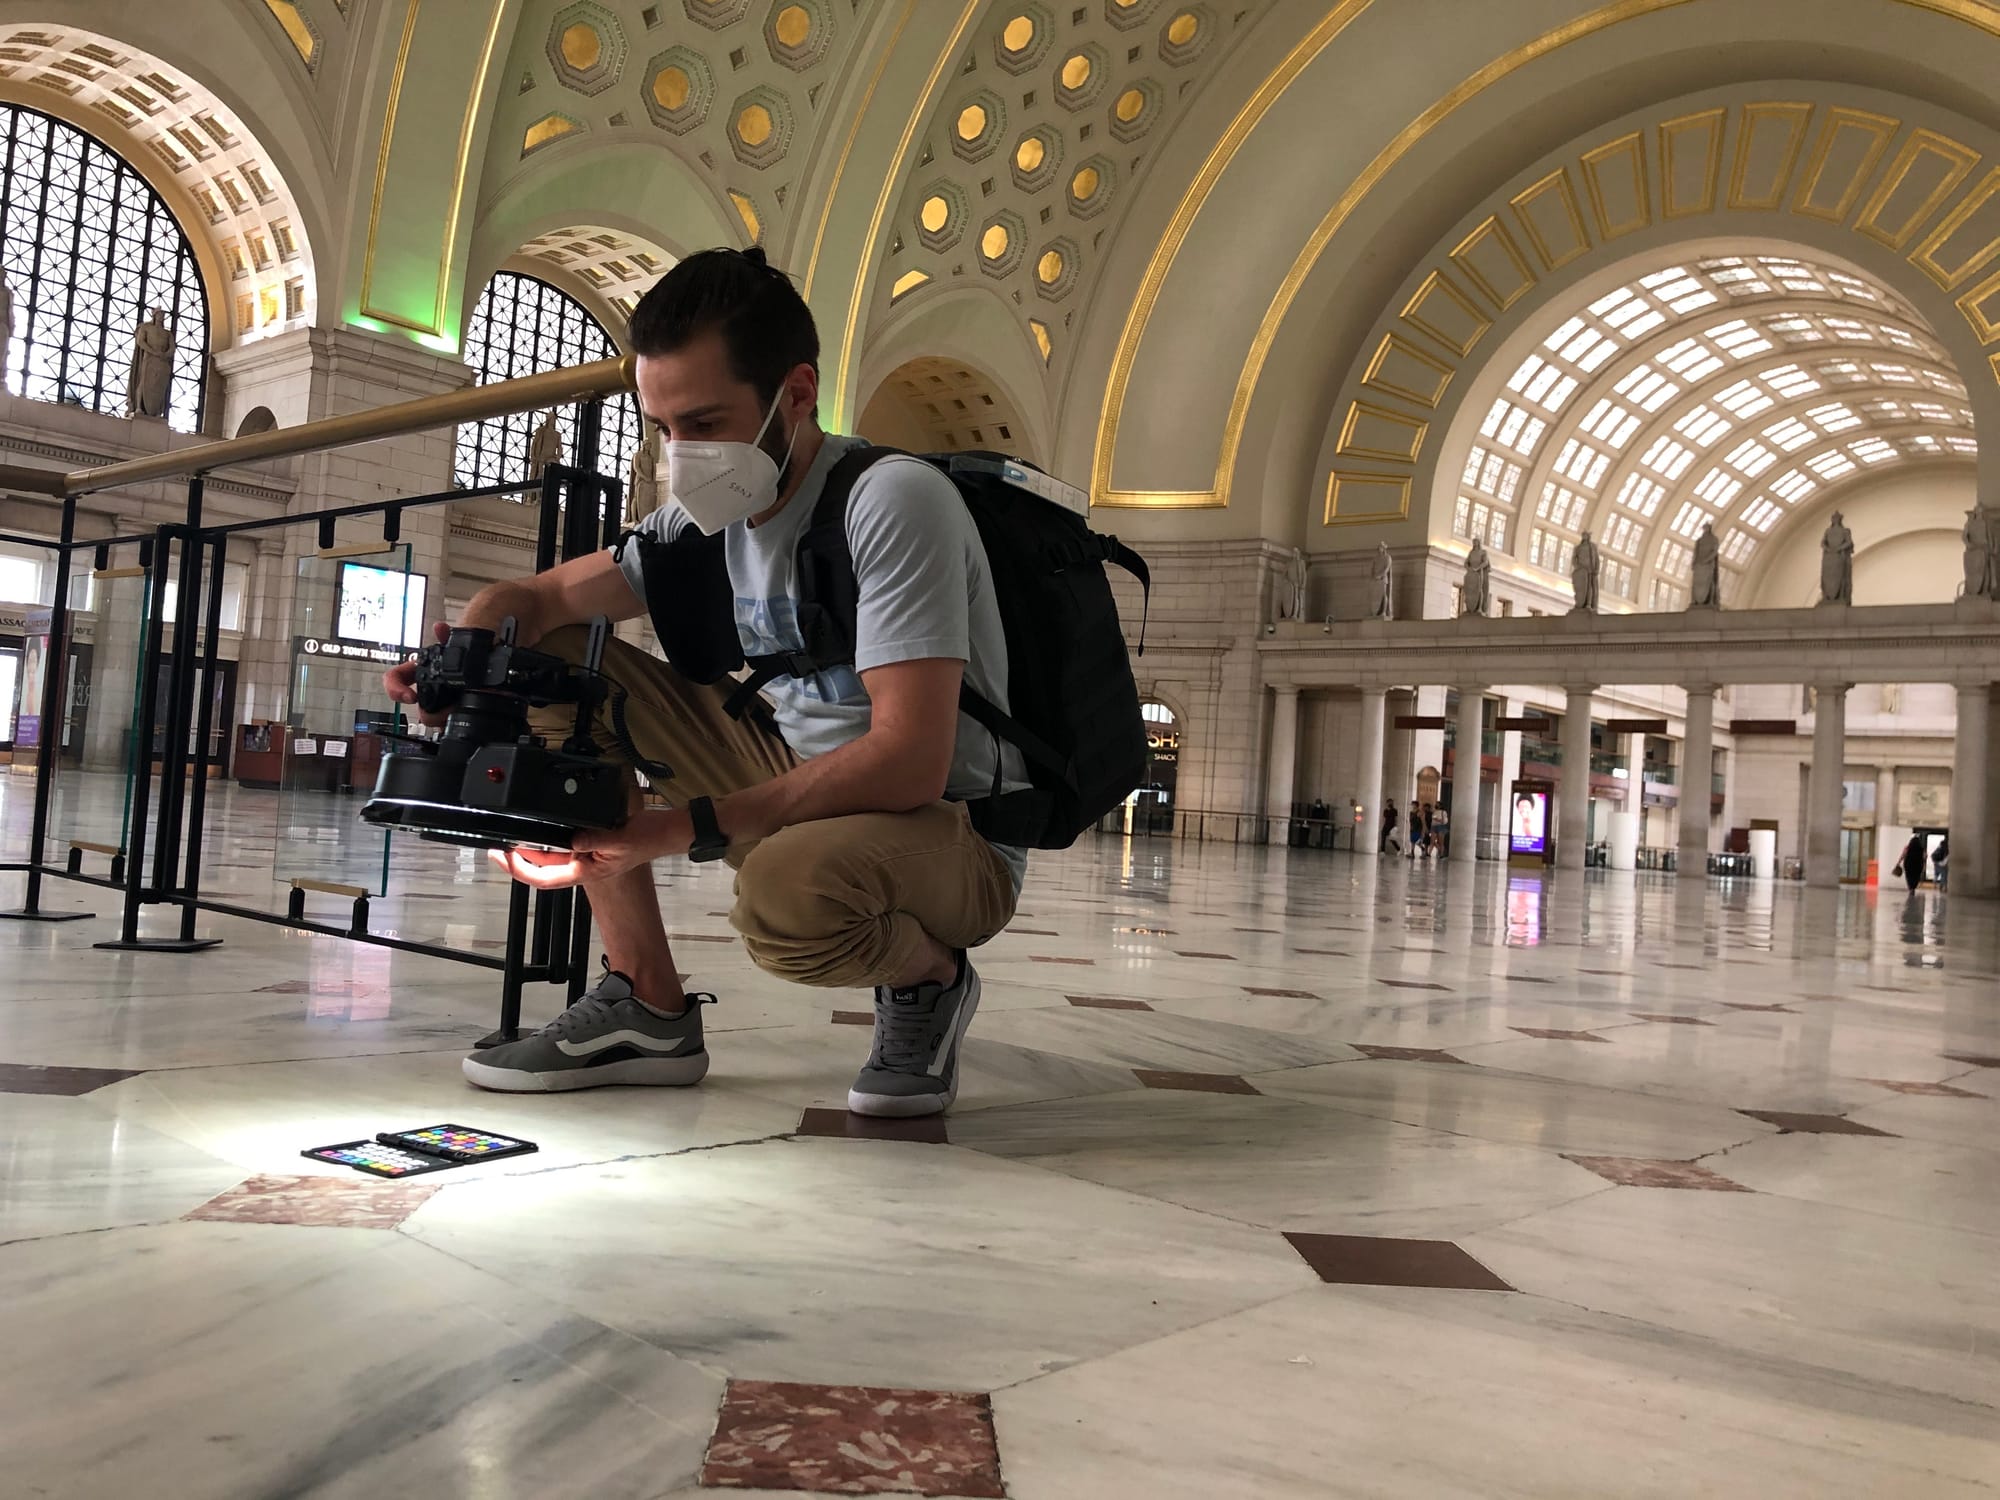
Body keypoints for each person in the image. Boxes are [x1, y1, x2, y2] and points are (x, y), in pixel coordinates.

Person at [383, 247, 1026, 1118]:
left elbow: (909, 759)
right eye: (663, 427)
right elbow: (537, 601)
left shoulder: (890, 500)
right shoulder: (701, 520)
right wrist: (468, 658)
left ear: (797, 394)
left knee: (787, 898)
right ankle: (647, 1005)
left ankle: (930, 978)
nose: (682, 453)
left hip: (951, 828)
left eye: (706, 421)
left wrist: (679, 827)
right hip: (795, 774)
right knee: (556, 660)